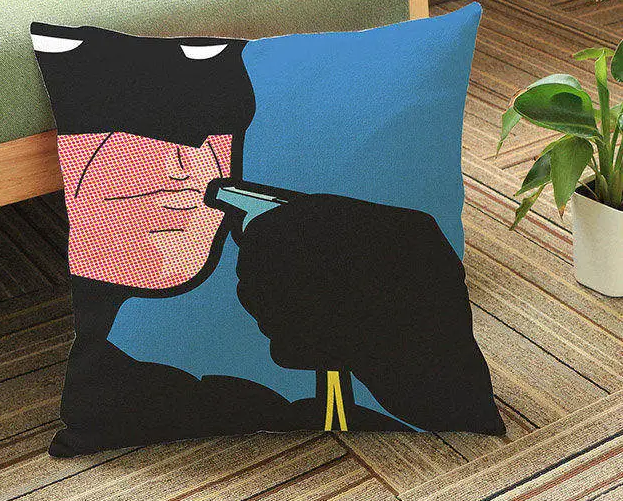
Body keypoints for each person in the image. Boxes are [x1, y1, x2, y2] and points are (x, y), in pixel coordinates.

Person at [31, 24, 505, 457]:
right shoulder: (157, 391)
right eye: (140, 128)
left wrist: (401, 331)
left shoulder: (222, 394)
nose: (189, 164)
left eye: (217, 128)